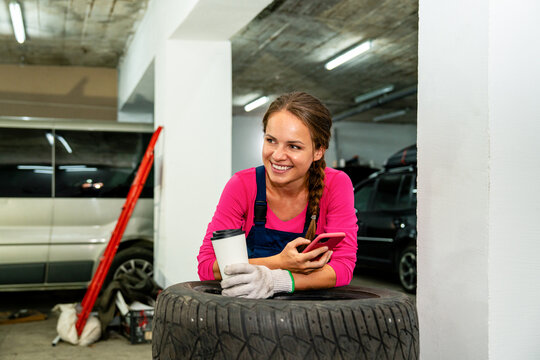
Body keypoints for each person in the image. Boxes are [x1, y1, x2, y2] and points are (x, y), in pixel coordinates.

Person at [197, 91, 358, 299]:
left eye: (294, 146)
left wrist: (276, 281)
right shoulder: (242, 186)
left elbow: (342, 268)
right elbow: (208, 267)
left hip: (307, 317)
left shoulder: (335, 184)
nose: (278, 155)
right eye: (271, 140)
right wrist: (279, 262)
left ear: (318, 151)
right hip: (244, 316)